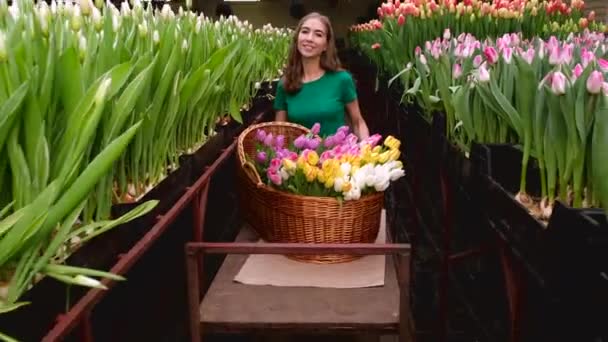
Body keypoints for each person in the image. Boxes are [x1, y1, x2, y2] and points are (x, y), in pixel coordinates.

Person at [273, 12, 370, 139]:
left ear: (326, 45)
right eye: (305, 31)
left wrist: (366, 150)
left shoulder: (342, 79)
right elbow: (279, 133)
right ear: (297, 38)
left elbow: (358, 123)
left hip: (340, 156)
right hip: (299, 158)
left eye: (318, 34)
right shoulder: (285, 84)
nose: (309, 38)